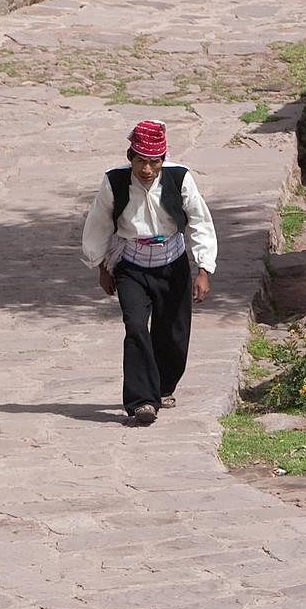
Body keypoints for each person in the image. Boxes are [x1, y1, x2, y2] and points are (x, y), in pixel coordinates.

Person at [81, 118, 217, 426]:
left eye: (154, 163)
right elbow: (99, 223)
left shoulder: (179, 179)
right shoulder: (114, 181)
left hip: (173, 263)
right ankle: (142, 400)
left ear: (163, 161)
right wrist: (101, 266)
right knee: (136, 327)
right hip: (132, 265)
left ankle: (162, 386)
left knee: (173, 332)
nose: (146, 170)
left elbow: (199, 222)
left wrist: (203, 269)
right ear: (131, 158)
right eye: (141, 161)